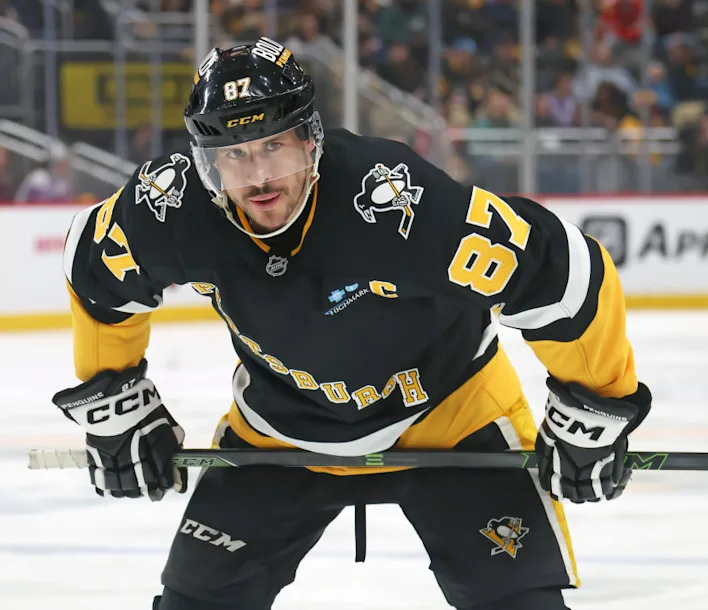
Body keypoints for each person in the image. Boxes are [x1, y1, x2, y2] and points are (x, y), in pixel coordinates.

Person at [53, 38, 652, 610]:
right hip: (281, 427)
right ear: (206, 162)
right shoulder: (174, 206)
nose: (257, 176)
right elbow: (93, 266)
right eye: (234, 155)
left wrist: (595, 408)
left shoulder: (393, 201)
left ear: (310, 141)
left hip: (449, 417)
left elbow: (563, 272)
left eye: (272, 146)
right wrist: (119, 405)